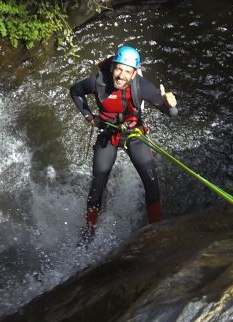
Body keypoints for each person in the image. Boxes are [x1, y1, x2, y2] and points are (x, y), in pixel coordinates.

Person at [69, 45, 178, 241]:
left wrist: (171, 106)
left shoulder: (141, 86)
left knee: (152, 185)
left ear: (135, 73)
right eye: (118, 69)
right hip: (108, 134)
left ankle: (154, 229)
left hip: (133, 135)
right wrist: (89, 116)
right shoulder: (97, 82)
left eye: (127, 71)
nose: (121, 75)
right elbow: (75, 91)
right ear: (112, 68)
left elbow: (170, 113)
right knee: (98, 183)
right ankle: (89, 230)